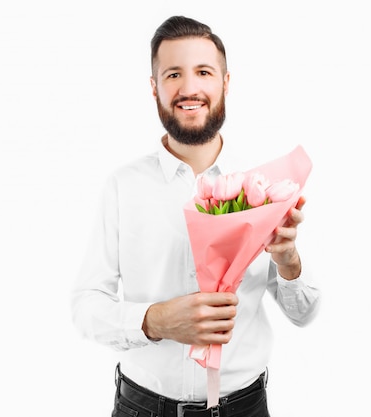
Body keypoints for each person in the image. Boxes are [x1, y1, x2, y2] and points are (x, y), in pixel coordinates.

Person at [71, 15, 321, 417]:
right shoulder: (122, 187)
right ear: (154, 87)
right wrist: (155, 321)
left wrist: (289, 261)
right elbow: (85, 307)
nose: (189, 89)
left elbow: (305, 314)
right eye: (173, 74)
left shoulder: (263, 185)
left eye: (203, 72)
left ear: (225, 81)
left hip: (244, 407)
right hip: (141, 407)